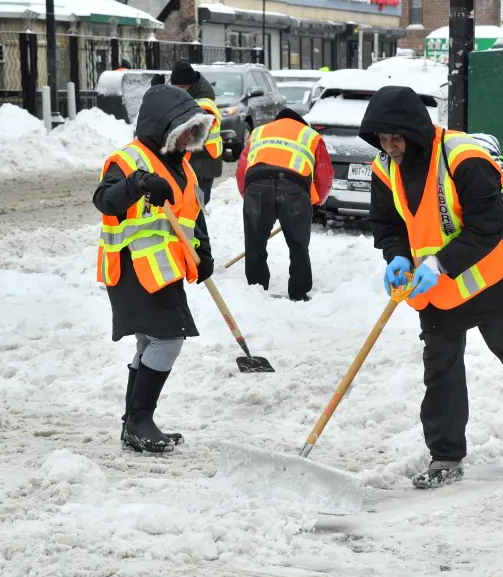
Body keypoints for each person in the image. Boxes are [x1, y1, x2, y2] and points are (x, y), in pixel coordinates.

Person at [359, 85, 503, 490]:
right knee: (441, 373)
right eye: (382, 140)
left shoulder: (463, 157)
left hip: (494, 281)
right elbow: (387, 224)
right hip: (437, 291)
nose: (389, 147)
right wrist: (397, 256)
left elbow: (489, 225)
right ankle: (446, 456)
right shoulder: (384, 166)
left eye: (396, 138)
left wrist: (442, 262)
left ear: (415, 131)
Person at [93, 85, 215, 454]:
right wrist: (140, 183)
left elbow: (192, 218)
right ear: (164, 127)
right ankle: (140, 419)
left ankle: (135, 423)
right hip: (131, 269)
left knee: (150, 342)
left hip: (162, 270)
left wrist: (204, 252)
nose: (190, 138)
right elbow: (105, 201)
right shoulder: (129, 161)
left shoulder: (185, 170)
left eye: (196, 130)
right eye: (184, 130)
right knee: (168, 339)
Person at [235, 108, 334, 301]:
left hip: (257, 184)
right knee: (298, 244)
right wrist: (314, 203)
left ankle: (256, 289)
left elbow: (242, 168)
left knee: (255, 241)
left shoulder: (260, 132)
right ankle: (299, 291)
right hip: (294, 189)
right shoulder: (310, 135)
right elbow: (324, 175)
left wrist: (248, 197)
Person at [170, 60, 223, 206]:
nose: (178, 91)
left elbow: (193, 138)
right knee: (191, 211)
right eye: (175, 87)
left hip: (202, 165)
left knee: (195, 208)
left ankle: (197, 230)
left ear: (192, 85)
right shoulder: (188, 100)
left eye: (181, 87)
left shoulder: (203, 106)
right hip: (193, 164)